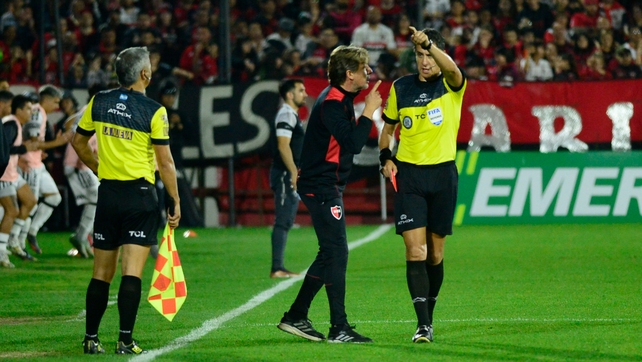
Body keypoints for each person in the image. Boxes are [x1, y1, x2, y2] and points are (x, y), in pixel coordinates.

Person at [72, 46, 180, 355]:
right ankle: (125, 340)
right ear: (144, 74)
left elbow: (77, 141)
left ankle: (91, 339)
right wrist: (174, 200)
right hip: (140, 197)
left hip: (108, 194)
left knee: (100, 273)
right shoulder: (154, 111)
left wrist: (97, 167)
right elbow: (166, 162)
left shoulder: (99, 102)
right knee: (131, 272)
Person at [277, 45, 382, 344]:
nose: (369, 73)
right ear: (349, 74)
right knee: (337, 252)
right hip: (321, 187)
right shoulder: (333, 103)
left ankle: (297, 315)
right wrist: (369, 112)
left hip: (324, 185)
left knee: (330, 253)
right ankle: (339, 327)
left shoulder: (340, 98)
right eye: (364, 68)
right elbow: (352, 144)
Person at [379, 26, 466, 343]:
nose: (424, 61)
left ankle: (429, 312)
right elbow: (387, 131)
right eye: (419, 55)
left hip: (443, 175)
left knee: (435, 254)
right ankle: (423, 324)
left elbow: (454, 69)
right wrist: (385, 156)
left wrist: (428, 42)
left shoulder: (451, 84)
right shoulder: (400, 88)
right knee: (416, 250)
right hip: (410, 176)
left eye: (429, 55)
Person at [20, 86, 71, 256]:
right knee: (30, 203)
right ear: (47, 99)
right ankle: (18, 244)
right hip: (28, 164)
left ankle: (31, 232)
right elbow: (33, 142)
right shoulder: (36, 112)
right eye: (56, 102)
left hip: (36, 163)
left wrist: (42, 149)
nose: (57, 106)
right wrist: (58, 142)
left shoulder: (40, 113)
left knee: (54, 197)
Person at [269, 79, 307, 279]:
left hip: (287, 173)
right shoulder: (285, 113)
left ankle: (279, 267)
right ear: (289, 95)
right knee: (283, 220)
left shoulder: (291, 114)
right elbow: (283, 145)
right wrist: (292, 171)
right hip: (284, 174)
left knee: (287, 219)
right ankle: (277, 268)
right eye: (301, 90)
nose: (305, 94)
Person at [63, 85, 106, 258]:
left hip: (84, 163)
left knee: (96, 200)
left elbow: (68, 123)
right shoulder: (88, 110)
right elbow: (71, 129)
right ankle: (83, 236)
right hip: (78, 165)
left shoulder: (91, 110)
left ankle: (86, 238)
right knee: (97, 197)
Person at [0, 95, 38, 267]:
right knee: (11, 211)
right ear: (19, 110)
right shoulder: (11, 123)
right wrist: (24, 148)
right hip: (5, 174)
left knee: (30, 200)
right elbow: (5, 147)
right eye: (28, 109)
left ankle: (13, 239)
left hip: (13, 172)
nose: (31, 112)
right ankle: (2, 253)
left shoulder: (14, 122)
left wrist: (20, 158)